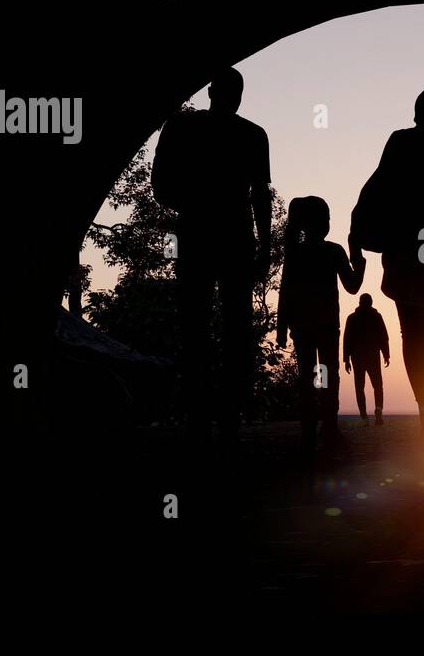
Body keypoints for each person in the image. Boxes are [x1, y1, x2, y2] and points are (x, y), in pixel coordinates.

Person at [151, 67, 271, 443]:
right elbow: (260, 195)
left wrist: (194, 203)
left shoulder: (183, 128)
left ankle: (205, 416)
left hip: (202, 235)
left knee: (200, 327)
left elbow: (162, 185)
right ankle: (222, 415)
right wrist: (264, 244)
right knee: (228, 328)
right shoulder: (250, 135)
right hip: (227, 236)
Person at [349, 86, 424, 438]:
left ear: (420, 113)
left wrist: (357, 232)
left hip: (409, 259)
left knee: (415, 335)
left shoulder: (403, 142)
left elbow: (375, 188)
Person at [277, 196, 365, 449]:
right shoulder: (333, 251)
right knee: (326, 376)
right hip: (325, 326)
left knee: (307, 376)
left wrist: (283, 327)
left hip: (304, 327)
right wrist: (357, 258)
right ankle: (327, 426)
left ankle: (312, 429)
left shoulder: (296, 253)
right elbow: (353, 286)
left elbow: (286, 291)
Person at [343, 293, 390, 425]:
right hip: (373, 356)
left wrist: (346, 359)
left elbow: (347, 340)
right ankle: (378, 409)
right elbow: (384, 337)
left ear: (360, 302)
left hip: (357, 357)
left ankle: (364, 417)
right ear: (371, 302)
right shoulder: (376, 317)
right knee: (378, 385)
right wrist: (386, 354)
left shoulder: (352, 318)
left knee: (359, 387)